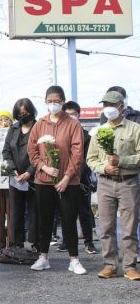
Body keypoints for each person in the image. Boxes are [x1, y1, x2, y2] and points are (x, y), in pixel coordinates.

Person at [27, 85, 86, 275]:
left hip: (69, 182)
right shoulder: (40, 123)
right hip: (43, 181)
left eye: (56, 101)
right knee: (44, 220)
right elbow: (32, 150)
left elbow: (77, 153)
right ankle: (43, 257)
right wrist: (43, 167)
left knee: (69, 220)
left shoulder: (73, 124)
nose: (53, 104)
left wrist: (67, 177)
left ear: (63, 101)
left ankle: (74, 259)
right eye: (49, 101)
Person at [87, 91, 140, 281]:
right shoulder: (99, 131)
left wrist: (121, 161)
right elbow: (91, 159)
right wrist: (105, 168)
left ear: (121, 107)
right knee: (106, 227)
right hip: (106, 184)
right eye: (105, 104)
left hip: (128, 183)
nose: (107, 108)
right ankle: (110, 265)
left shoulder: (135, 129)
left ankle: (130, 266)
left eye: (111, 104)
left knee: (129, 227)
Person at [61, 101, 99, 255]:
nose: (71, 117)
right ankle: (66, 241)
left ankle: (89, 242)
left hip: (81, 179)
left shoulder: (86, 136)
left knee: (84, 211)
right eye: (68, 114)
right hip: (63, 179)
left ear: (79, 115)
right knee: (65, 211)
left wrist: (76, 174)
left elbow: (87, 159)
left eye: (74, 114)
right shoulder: (61, 134)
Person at [2, 99, 39, 251]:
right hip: (16, 177)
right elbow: (6, 151)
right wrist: (13, 169)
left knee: (34, 211)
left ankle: (34, 243)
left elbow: (43, 153)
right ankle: (16, 243)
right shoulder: (13, 128)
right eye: (19, 113)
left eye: (25, 112)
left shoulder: (39, 127)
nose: (22, 115)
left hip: (35, 177)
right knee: (15, 211)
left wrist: (29, 172)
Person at [0, 110, 14, 253]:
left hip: (12, 177)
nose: (3, 123)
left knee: (12, 210)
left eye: (6, 120)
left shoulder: (15, 135)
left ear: (11, 122)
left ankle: (12, 241)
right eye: (0, 120)